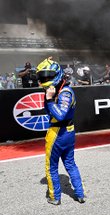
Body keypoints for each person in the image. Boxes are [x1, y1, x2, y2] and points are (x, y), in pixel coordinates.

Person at [36, 57, 85, 205]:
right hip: (69, 132)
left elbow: (59, 115)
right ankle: (80, 194)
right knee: (71, 164)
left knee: (51, 167)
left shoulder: (65, 92)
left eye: (47, 76)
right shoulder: (60, 90)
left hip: (57, 133)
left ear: (57, 74)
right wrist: (49, 96)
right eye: (42, 76)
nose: (44, 79)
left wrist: (49, 99)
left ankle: (54, 197)